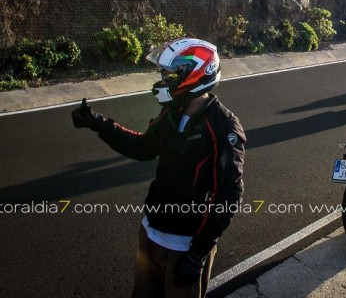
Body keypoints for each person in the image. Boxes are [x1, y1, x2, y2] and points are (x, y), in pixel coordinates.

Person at [70, 38, 245, 298]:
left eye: (170, 75)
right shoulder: (171, 113)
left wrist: (197, 254)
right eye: (163, 74)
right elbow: (143, 148)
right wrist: (98, 124)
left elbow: (229, 195)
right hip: (151, 231)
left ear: (194, 75)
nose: (163, 81)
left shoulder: (224, 126)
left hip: (185, 245)